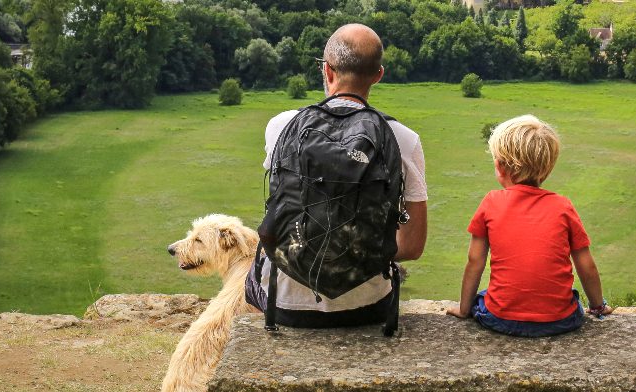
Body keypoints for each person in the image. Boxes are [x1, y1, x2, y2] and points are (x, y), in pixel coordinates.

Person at [244, 24, 428, 328]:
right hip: (368, 306)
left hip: (286, 305)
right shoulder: (403, 139)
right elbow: (412, 247)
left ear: (327, 70)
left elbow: (280, 213)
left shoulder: (281, 126)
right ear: (378, 75)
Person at [446, 115, 612, 337]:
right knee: (570, 296)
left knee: (484, 297)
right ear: (548, 168)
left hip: (501, 319)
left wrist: (464, 309)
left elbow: (475, 262)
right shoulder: (563, 206)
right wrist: (597, 306)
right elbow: (586, 264)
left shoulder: (491, 202)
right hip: (561, 320)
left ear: (499, 166)